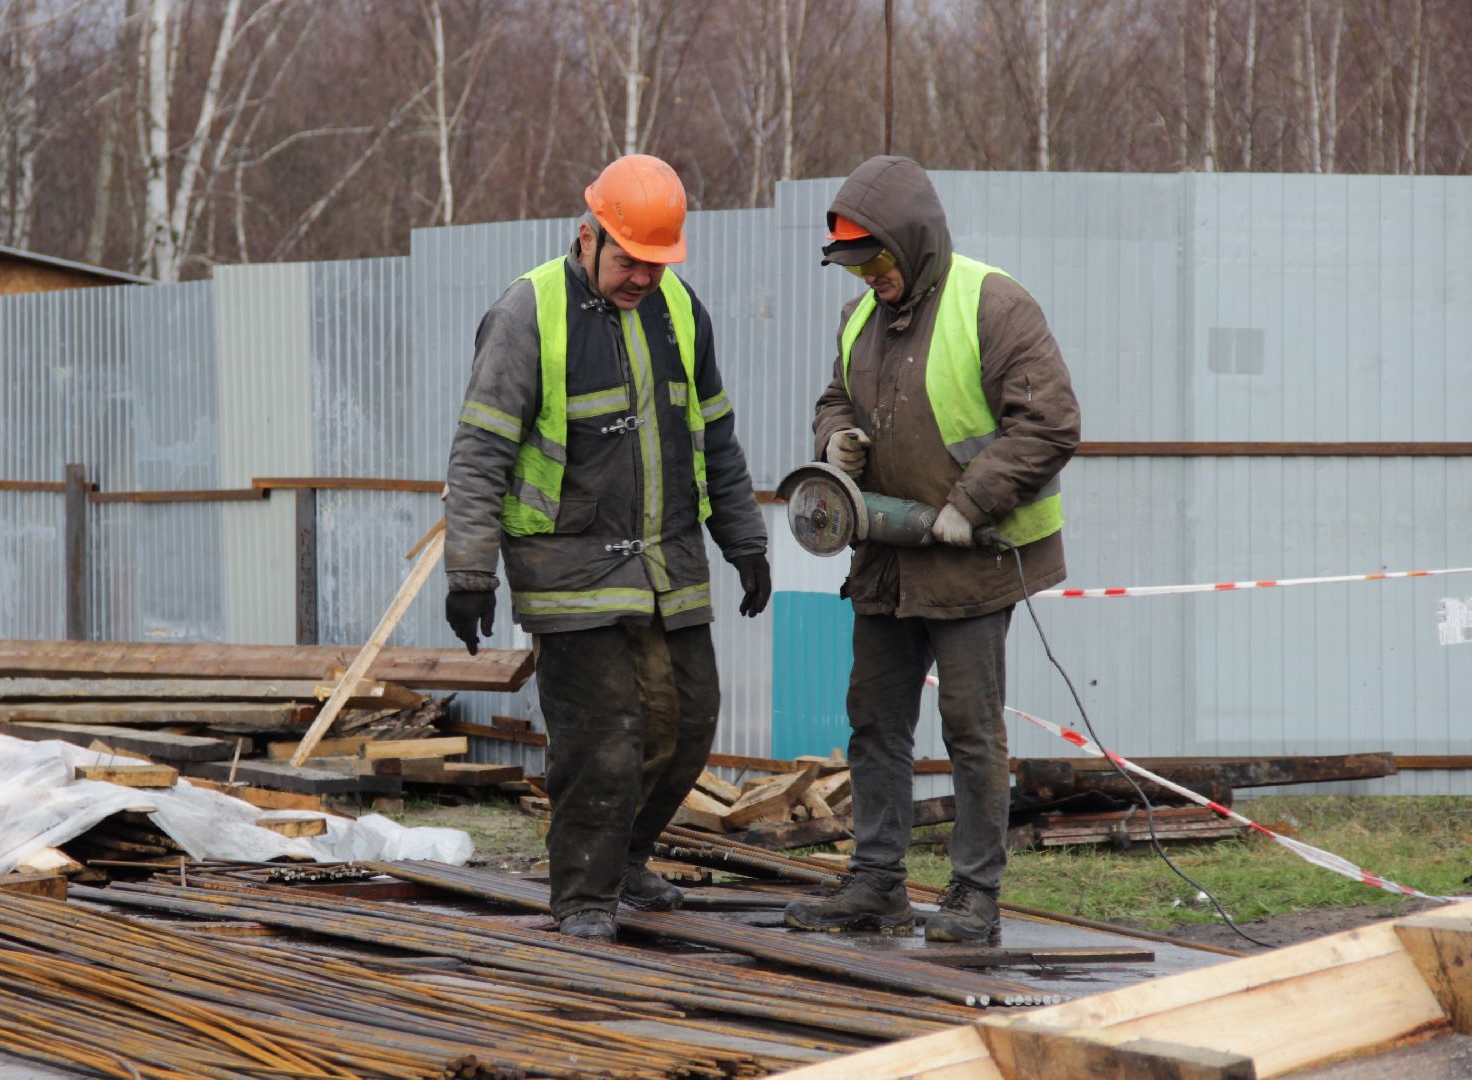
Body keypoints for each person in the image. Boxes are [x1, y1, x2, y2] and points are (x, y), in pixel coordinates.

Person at [443, 154, 771, 943]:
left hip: (669, 561)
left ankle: (626, 858)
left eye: (657, 264)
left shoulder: (681, 312)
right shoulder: (528, 312)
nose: (642, 278)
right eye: (629, 260)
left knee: (688, 723)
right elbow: (481, 448)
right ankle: (583, 894)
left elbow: (715, 438)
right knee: (605, 738)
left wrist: (745, 540)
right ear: (586, 236)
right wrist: (469, 570)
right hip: (568, 569)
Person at [787, 155, 1080, 944]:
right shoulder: (861, 318)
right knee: (874, 722)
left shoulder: (994, 305)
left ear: (913, 243)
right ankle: (877, 884)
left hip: (976, 558)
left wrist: (968, 504)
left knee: (970, 728)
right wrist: (834, 436)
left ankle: (974, 896)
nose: (870, 277)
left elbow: (1050, 423)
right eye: (857, 265)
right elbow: (835, 393)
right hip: (885, 557)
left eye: (878, 260)